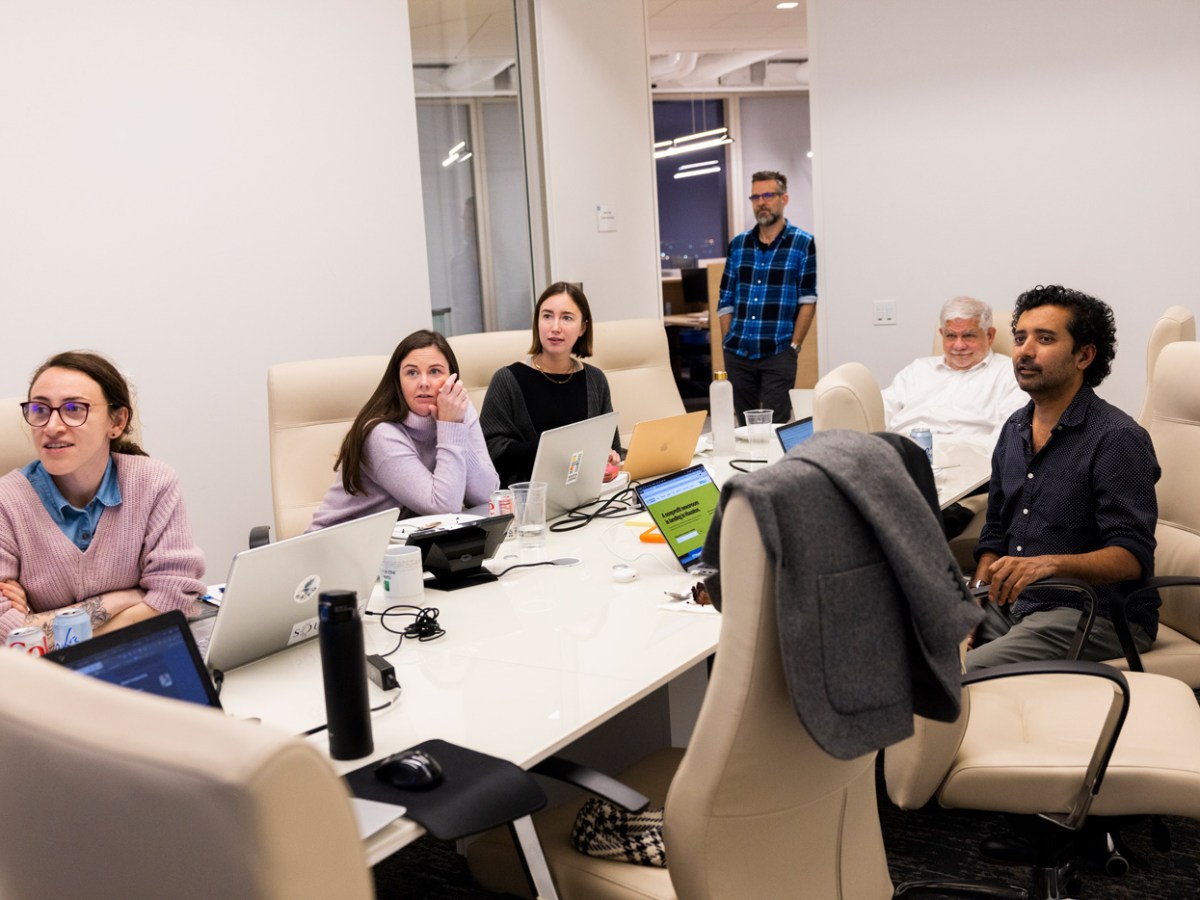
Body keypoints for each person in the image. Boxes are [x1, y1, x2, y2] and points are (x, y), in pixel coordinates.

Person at [965, 285, 1160, 670]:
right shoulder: (1014, 428)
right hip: (1014, 605)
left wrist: (1048, 564)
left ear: (1084, 355)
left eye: (1045, 339)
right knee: (917, 652)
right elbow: (995, 533)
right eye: (1020, 338)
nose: (1024, 351)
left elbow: (1132, 557)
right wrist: (975, 596)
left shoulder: (1116, 438)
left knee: (967, 673)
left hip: (1094, 613)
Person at [0, 351, 206, 647]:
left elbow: (175, 600)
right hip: (45, 673)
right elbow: (4, 634)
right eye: (40, 409)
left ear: (117, 421)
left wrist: (38, 624)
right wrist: (122, 599)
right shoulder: (6, 503)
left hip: (143, 654)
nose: (51, 427)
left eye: (74, 408)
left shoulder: (154, 483)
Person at [308, 330, 498, 530]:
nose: (424, 383)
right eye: (412, 373)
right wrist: (450, 428)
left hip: (399, 541)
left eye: (435, 371)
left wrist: (454, 426)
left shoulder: (458, 411)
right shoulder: (381, 434)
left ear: (452, 378)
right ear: (398, 381)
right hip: (338, 542)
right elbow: (444, 509)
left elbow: (486, 496)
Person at [479, 282, 621, 487]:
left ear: (582, 327)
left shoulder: (595, 379)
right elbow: (490, 452)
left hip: (584, 493)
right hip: (529, 497)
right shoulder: (506, 380)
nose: (555, 327)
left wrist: (610, 458)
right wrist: (556, 447)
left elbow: (611, 445)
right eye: (547, 316)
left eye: (566, 318)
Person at [717, 170, 817, 424]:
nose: (761, 202)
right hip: (738, 352)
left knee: (776, 426)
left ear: (784, 199)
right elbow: (726, 299)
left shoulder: (802, 243)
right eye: (755, 197)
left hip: (779, 351)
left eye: (768, 195)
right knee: (743, 427)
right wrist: (727, 342)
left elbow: (808, 300)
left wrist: (794, 346)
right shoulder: (739, 244)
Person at [882, 296, 1026, 441]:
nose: (959, 346)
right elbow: (880, 411)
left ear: (989, 335)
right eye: (951, 336)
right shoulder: (917, 369)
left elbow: (1008, 435)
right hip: (898, 445)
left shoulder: (1010, 373)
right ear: (942, 334)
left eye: (968, 336)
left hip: (961, 450)